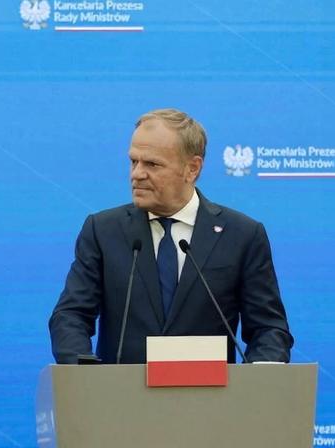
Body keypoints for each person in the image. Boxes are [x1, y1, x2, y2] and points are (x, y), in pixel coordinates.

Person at [49, 108, 292, 364]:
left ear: (192, 169)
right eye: (134, 161)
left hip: (212, 399)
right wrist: (83, 374)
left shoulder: (242, 235)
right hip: (120, 398)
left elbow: (269, 329)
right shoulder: (103, 230)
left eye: (152, 164)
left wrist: (258, 381)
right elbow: (71, 315)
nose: (137, 174)